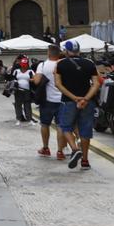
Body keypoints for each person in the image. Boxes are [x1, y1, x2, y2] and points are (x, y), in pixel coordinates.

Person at [54, 40, 100, 170]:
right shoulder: (90, 63)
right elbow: (96, 84)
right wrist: (85, 99)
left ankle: (74, 149)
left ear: (66, 51)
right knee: (85, 131)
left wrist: (74, 98)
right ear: (79, 50)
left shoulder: (60, 64)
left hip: (68, 101)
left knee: (65, 126)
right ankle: (85, 161)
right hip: (87, 103)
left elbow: (58, 84)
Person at [35, 44, 67, 159]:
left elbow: (37, 81)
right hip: (63, 100)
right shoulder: (63, 64)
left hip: (47, 100)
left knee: (45, 124)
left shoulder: (42, 65)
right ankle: (60, 151)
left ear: (49, 53)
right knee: (60, 126)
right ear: (59, 53)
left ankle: (45, 148)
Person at [9, 55, 36, 125]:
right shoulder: (16, 71)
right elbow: (12, 78)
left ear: (27, 65)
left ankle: (29, 119)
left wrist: (31, 79)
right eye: (22, 65)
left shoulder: (30, 71)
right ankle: (18, 119)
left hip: (27, 90)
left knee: (27, 105)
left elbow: (35, 79)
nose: (24, 66)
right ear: (20, 64)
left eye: (25, 65)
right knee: (18, 105)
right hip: (18, 90)